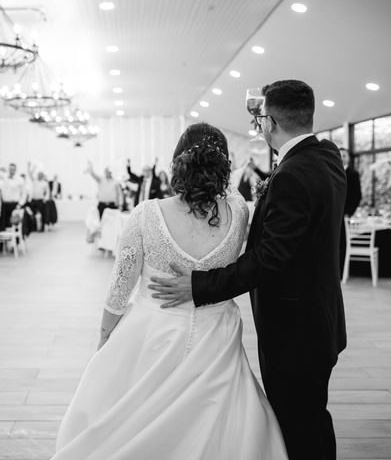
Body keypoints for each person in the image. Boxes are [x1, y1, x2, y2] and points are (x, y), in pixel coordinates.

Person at [54, 123, 287, 459]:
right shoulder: (238, 213)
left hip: (154, 333)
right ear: (224, 166)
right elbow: (234, 195)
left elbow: (120, 288)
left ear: (177, 162)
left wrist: (105, 337)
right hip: (216, 335)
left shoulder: (147, 214)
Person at [150, 80, 347, 460]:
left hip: (296, 329)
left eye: (260, 120)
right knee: (311, 416)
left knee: (299, 421)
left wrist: (198, 287)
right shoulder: (327, 157)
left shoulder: (291, 174)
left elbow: (269, 259)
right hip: (320, 316)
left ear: (270, 122)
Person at [0, 163, 26, 230]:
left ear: (15, 170)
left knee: (15, 224)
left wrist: (20, 204)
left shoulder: (19, 179)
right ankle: (7, 239)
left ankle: (16, 239)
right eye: (10, 169)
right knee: (5, 224)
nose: (11, 170)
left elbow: (24, 193)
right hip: (5, 204)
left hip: (15, 205)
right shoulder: (5, 178)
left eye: (13, 169)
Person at [339, 148, 361, 217]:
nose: (341, 158)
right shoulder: (331, 173)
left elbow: (357, 195)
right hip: (333, 214)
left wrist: (349, 213)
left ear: (349, 158)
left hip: (346, 213)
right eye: (339, 156)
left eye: (344, 156)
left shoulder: (354, 174)